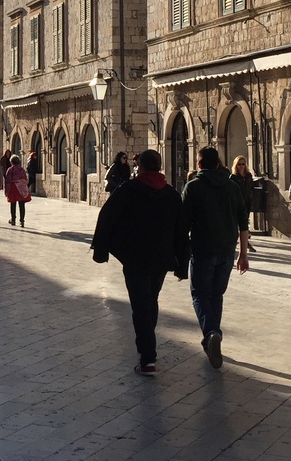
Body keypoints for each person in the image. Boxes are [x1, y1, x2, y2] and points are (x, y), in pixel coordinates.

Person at [92, 149, 188, 376]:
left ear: (141, 167)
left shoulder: (128, 190)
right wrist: (182, 264)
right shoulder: (172, 195)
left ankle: (148, 358)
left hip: (135, 258)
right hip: (161, 259)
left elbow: (107, 217)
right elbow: (182, 232)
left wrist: (102, 251)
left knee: (140, 305)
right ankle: (148, 347)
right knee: (150, 300)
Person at [180, 147, 250, 369]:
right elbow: (243, 223)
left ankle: (212, 333)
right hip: (227, 251)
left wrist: (179, 255)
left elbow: (183, 224)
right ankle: (212, 340)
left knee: (200, 295)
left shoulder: (193, 187)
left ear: (199, 165)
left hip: (202, 250)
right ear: (219, 163)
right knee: (216, 295)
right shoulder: (232, 186)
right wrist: (243, 255)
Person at [230, 156, 257, 254]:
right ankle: (243, 243)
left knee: (245, 222)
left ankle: (245, 243)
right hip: (237, 204)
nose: (241, 166)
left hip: (246, 202)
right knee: (238, 223)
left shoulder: (248, 175)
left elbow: (251, 187)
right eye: (239, 164)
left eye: (243, 164)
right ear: (236, 165)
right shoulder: (233, 177)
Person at [4, 155, 31, 227]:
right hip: (21, 187)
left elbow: (8, 181)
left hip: (13, 187)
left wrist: (6, 190)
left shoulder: (10, 170)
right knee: (22, 205)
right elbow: (25, 178)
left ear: (11, 162)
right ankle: (22, 221)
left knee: (13, 204)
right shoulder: (22, 169)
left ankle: (13, 219)